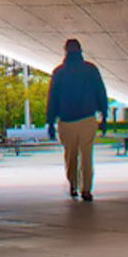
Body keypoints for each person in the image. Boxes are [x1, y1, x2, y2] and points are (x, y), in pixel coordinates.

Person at [45, 38, 108, 201]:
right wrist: (104, 116)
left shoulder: (59, 72)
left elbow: (52, 99)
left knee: (70, 156)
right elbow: (101, 93)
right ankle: (86, 189)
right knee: (87, 156)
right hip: (87, 119)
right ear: (80, 50)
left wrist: (50, 122)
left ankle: (73, 185)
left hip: (66, 121)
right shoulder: (91, 70)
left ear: (65, 51)